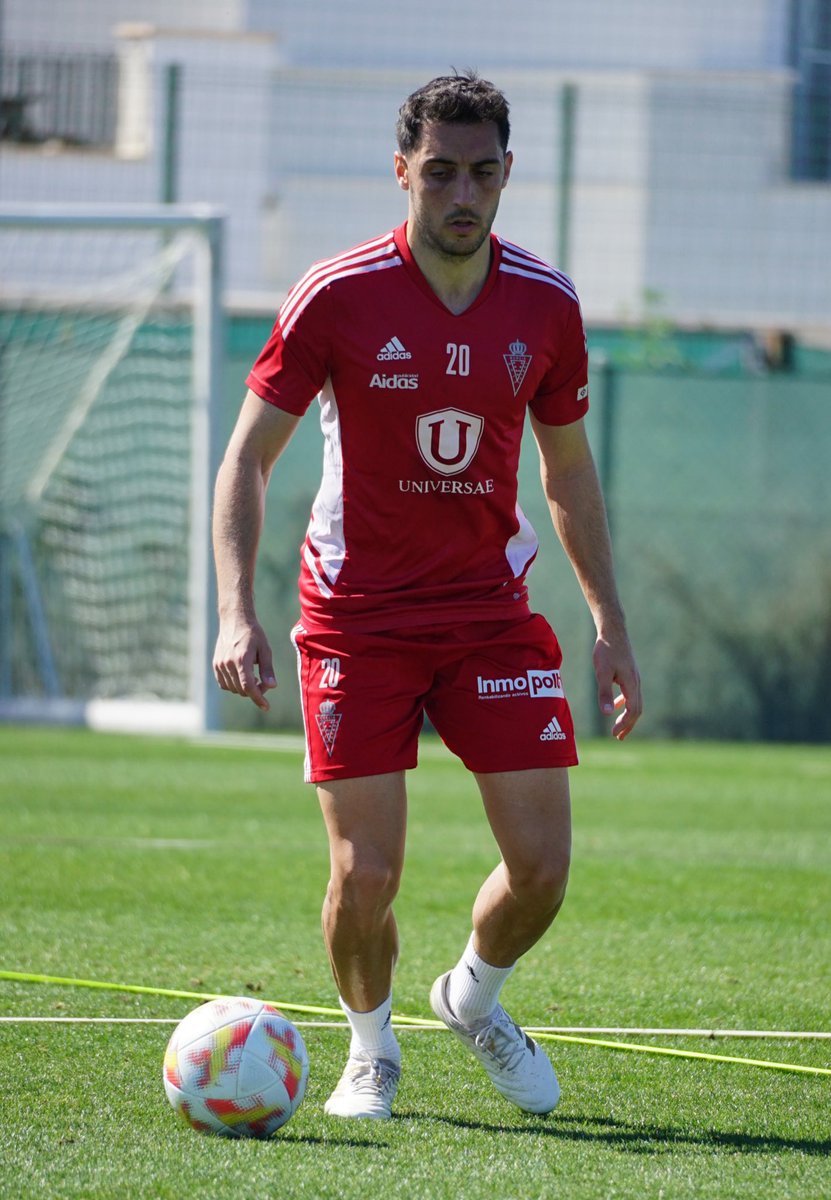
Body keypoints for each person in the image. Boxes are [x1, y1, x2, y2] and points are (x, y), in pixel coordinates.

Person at [212, 71, 641, 1121]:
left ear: (506, 177)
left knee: (541, 868)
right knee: (365, 879)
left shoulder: (546, 303)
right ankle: (371, 1049)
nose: (461, 192)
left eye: (481, 172)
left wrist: (610, 627)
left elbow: (569, 472)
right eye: (439, 170)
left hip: (490, 617)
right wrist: (235, 609)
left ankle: (473, 998)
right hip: (357, 619)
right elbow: (245, 461)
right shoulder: (338, 295)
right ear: (402, 170)